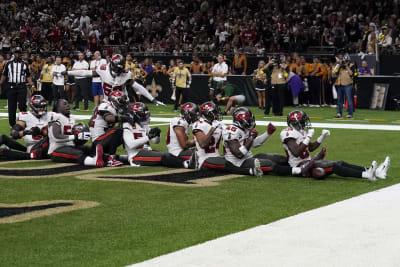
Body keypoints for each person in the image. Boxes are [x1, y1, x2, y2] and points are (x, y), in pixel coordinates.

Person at [280, 110, 389, 181]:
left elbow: (310, 148)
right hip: (300, 166)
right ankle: (366, 175)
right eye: (303, 121)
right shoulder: (287, 132)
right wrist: (308, 137)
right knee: (334, 166)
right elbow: (296, 152)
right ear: (296, 122)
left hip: (307, 161)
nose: (305, 123)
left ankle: (369, 170)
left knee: (340, 163)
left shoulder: (301, 132)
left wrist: (321, 137)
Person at [222, 107, 310, 177]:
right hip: (238, 163)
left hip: (247, 157)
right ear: (241, 120)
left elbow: (254, 144)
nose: (251, 122)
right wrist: (251, 138)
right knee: (269, 164)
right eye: (249, 120)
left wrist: (268, 133)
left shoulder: (243, 128)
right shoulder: (231, 131)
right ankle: (298, 171)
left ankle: (297, 166)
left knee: (278, 158)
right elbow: (239, 154)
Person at [65, 54, 163, 105]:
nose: (118, 71)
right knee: (96, 122)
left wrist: (152, 99)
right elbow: (84, 73)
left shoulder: (126, 74)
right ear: (111, 65)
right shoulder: (103, 70)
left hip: (123, 103)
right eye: (116, 68)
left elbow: (138, 87)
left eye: (120, 69)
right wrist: (68, 72)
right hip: (108, 102)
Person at [48, 100, 104, 167]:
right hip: (56, 150)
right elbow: (56, 137)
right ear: (58, 107)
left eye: (68, 103)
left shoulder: (71, 118)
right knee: (77, 153)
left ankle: (112, 158)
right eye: (64, 104)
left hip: (71, 146)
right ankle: (94, 162)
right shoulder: (55, 117)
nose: (68, 105)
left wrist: (83, 137)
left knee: (91, 149)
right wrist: (75, 136)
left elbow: (74, 139)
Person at [0, 95, 51, 160]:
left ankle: (30, 155)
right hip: (31, 147)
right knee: (3, 137)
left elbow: (55, 134)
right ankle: (7, 148)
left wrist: (41, 132)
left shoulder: (51, 115)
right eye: (38, 107)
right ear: (32, 106)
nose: (41, 109)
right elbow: (13, 132)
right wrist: (25, 132)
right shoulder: (25, 116)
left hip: (45, 147)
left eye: (43, 106)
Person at [89, 91, 130, 167]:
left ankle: (110, 156)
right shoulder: (105, 105)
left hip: (103, 139)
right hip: (98, 141)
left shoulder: (112, 108)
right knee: (119, 131)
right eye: (121, 100)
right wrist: (122, 118)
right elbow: (109, 118)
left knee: (125, 130)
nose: (123, 103)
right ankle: (110, 159)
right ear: (114, 100)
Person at [0, 47, 35, 127]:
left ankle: (23, 122)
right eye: (16, 53)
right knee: (11, 106)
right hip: (11, 86)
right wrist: (0, 83)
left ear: (21, 54)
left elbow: (28, 76)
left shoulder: (25, 64)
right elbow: (4, 74)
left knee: (22, 105)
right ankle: (12, 124)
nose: (17, 54)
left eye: (19, 53)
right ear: (14, 54)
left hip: (21, 86)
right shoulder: (8, 64)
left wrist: (32, 84)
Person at [162, 102, 198, 168]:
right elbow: (184, 145)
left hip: (182, 151)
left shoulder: (184, 122)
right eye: (193, 115)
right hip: (176, 153)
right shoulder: (179, 121)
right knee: (202, 154)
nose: (195, 117)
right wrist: (199, 140)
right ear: (187, 114)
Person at [192, 102, 226, 171]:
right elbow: (203, 144)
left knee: (233, 160)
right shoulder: (199, 124)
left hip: (216, 157)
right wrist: (212, 130)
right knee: (231, 164)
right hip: (204, 160)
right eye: (215, 112)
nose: (217, 114)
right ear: (208, 113)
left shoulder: (218, 123)